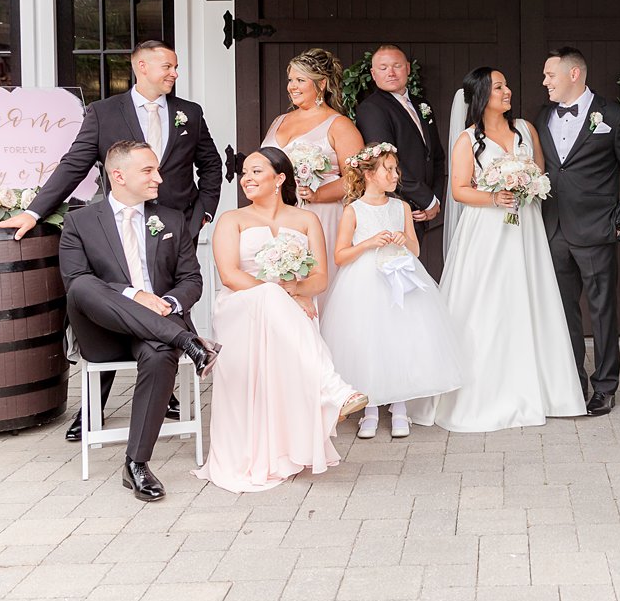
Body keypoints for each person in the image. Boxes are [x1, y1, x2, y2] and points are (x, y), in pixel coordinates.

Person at [0, 39, 223, 441]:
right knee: (115, 304)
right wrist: (33, 212)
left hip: (172, 233)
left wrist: (199, 216)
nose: (174, 73)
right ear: (142, 67)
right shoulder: (103, 113)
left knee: (164, 302)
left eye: (176, 67)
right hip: (118, 229)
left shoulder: (190, 113)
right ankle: (93, 410)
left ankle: (163, 392)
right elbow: (74, 166)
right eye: (167, 66)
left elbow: (211, 166)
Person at [419, 68, 586, 432]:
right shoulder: (467, 140)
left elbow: (541, 171)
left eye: (507, 85)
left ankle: (545, 392)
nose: (508, 91)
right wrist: (494, 196)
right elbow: (460, 189)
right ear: (481, 95)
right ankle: (484, 394)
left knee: (531, 299)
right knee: (488, 304)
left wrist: (527, 185)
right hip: (488, 230)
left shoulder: (526, 129)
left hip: (525, 227)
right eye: (498, 87)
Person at [192, 146, 368, 493]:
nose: (247, 179)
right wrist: (281, 294)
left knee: (296, 306)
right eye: (244, 173)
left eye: (256, 172)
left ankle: (287, 449)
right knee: (278, 299)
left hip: (289, 307)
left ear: (280, 178)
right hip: (240, 306)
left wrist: (296, 288)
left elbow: (319, 279)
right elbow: (229, 275)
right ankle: (332, 387)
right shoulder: (232, 219)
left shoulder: (306, 220)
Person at [57, 141, 220, 503]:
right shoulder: (80, 222)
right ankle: (189, 342)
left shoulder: (172, 218)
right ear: (118, 175)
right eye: (148, 171)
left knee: (160, 352)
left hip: (156, 328)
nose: (158, 178)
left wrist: (167, 302)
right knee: (82, 285)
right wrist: (134, 296)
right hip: (104, 332)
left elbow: (191, 279)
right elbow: (74, 280)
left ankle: (136, 464)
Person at [321, 142, 464, 439]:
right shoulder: (353, 210)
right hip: (364, 282)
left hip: (402, 278)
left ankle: (400, 408)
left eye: (396, 169)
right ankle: (370, 408)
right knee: (369, 340)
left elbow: (415, 248)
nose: (395, 174)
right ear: (370, 174)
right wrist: (367, 244)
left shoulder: (401, 207)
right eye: (388, 169)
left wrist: (403, 239)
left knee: (401, 338)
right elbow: (340, 255)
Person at [537, 47, 620, 415]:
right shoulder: (542, 117)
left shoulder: (614, 116)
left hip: (597, 230)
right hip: (553, 229)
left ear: (574, 74)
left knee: (602, 312)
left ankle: (605, 386)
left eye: (550, 75)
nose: (544, 82)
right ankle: (572, 379)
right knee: (563, 311)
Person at [262, 48, 364, 302]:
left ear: (322, 84)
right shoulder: (279, 121)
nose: (291, 87)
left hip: (322, 215)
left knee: (317, 282)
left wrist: (318, 195)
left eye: (300, 80)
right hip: (279, 214)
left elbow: (357, 177)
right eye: (290, 80)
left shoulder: (339, 125)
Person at [353, 44, 448, 278]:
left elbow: (435, 156)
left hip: (421, 208)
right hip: (396, 204)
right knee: (394, 275)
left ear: (407, 68)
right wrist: (425, 200)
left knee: (409, 273)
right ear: (374, 74)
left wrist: (435, 197)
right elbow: (386, 164)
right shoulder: (371, 109)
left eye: (396, 66)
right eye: (383, 68)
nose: (391, 72)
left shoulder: (422, 105)